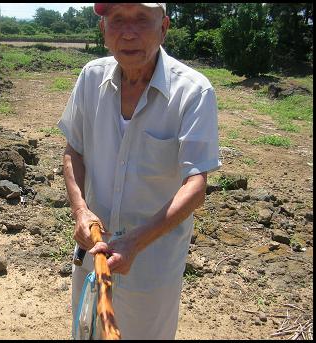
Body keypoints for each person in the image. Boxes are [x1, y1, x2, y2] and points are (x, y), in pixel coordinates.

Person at [57, 3, 221, 339]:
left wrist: (135, 241)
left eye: (141, 21)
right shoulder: (90, 79)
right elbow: (74, 150)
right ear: (104, 30)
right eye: (117, 20)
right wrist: (81, 211)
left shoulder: (193, 91)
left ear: (163, 27)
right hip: (94, 250)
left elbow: (196, 184)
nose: (128, 32)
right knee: (87, 330)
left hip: (152, 261)